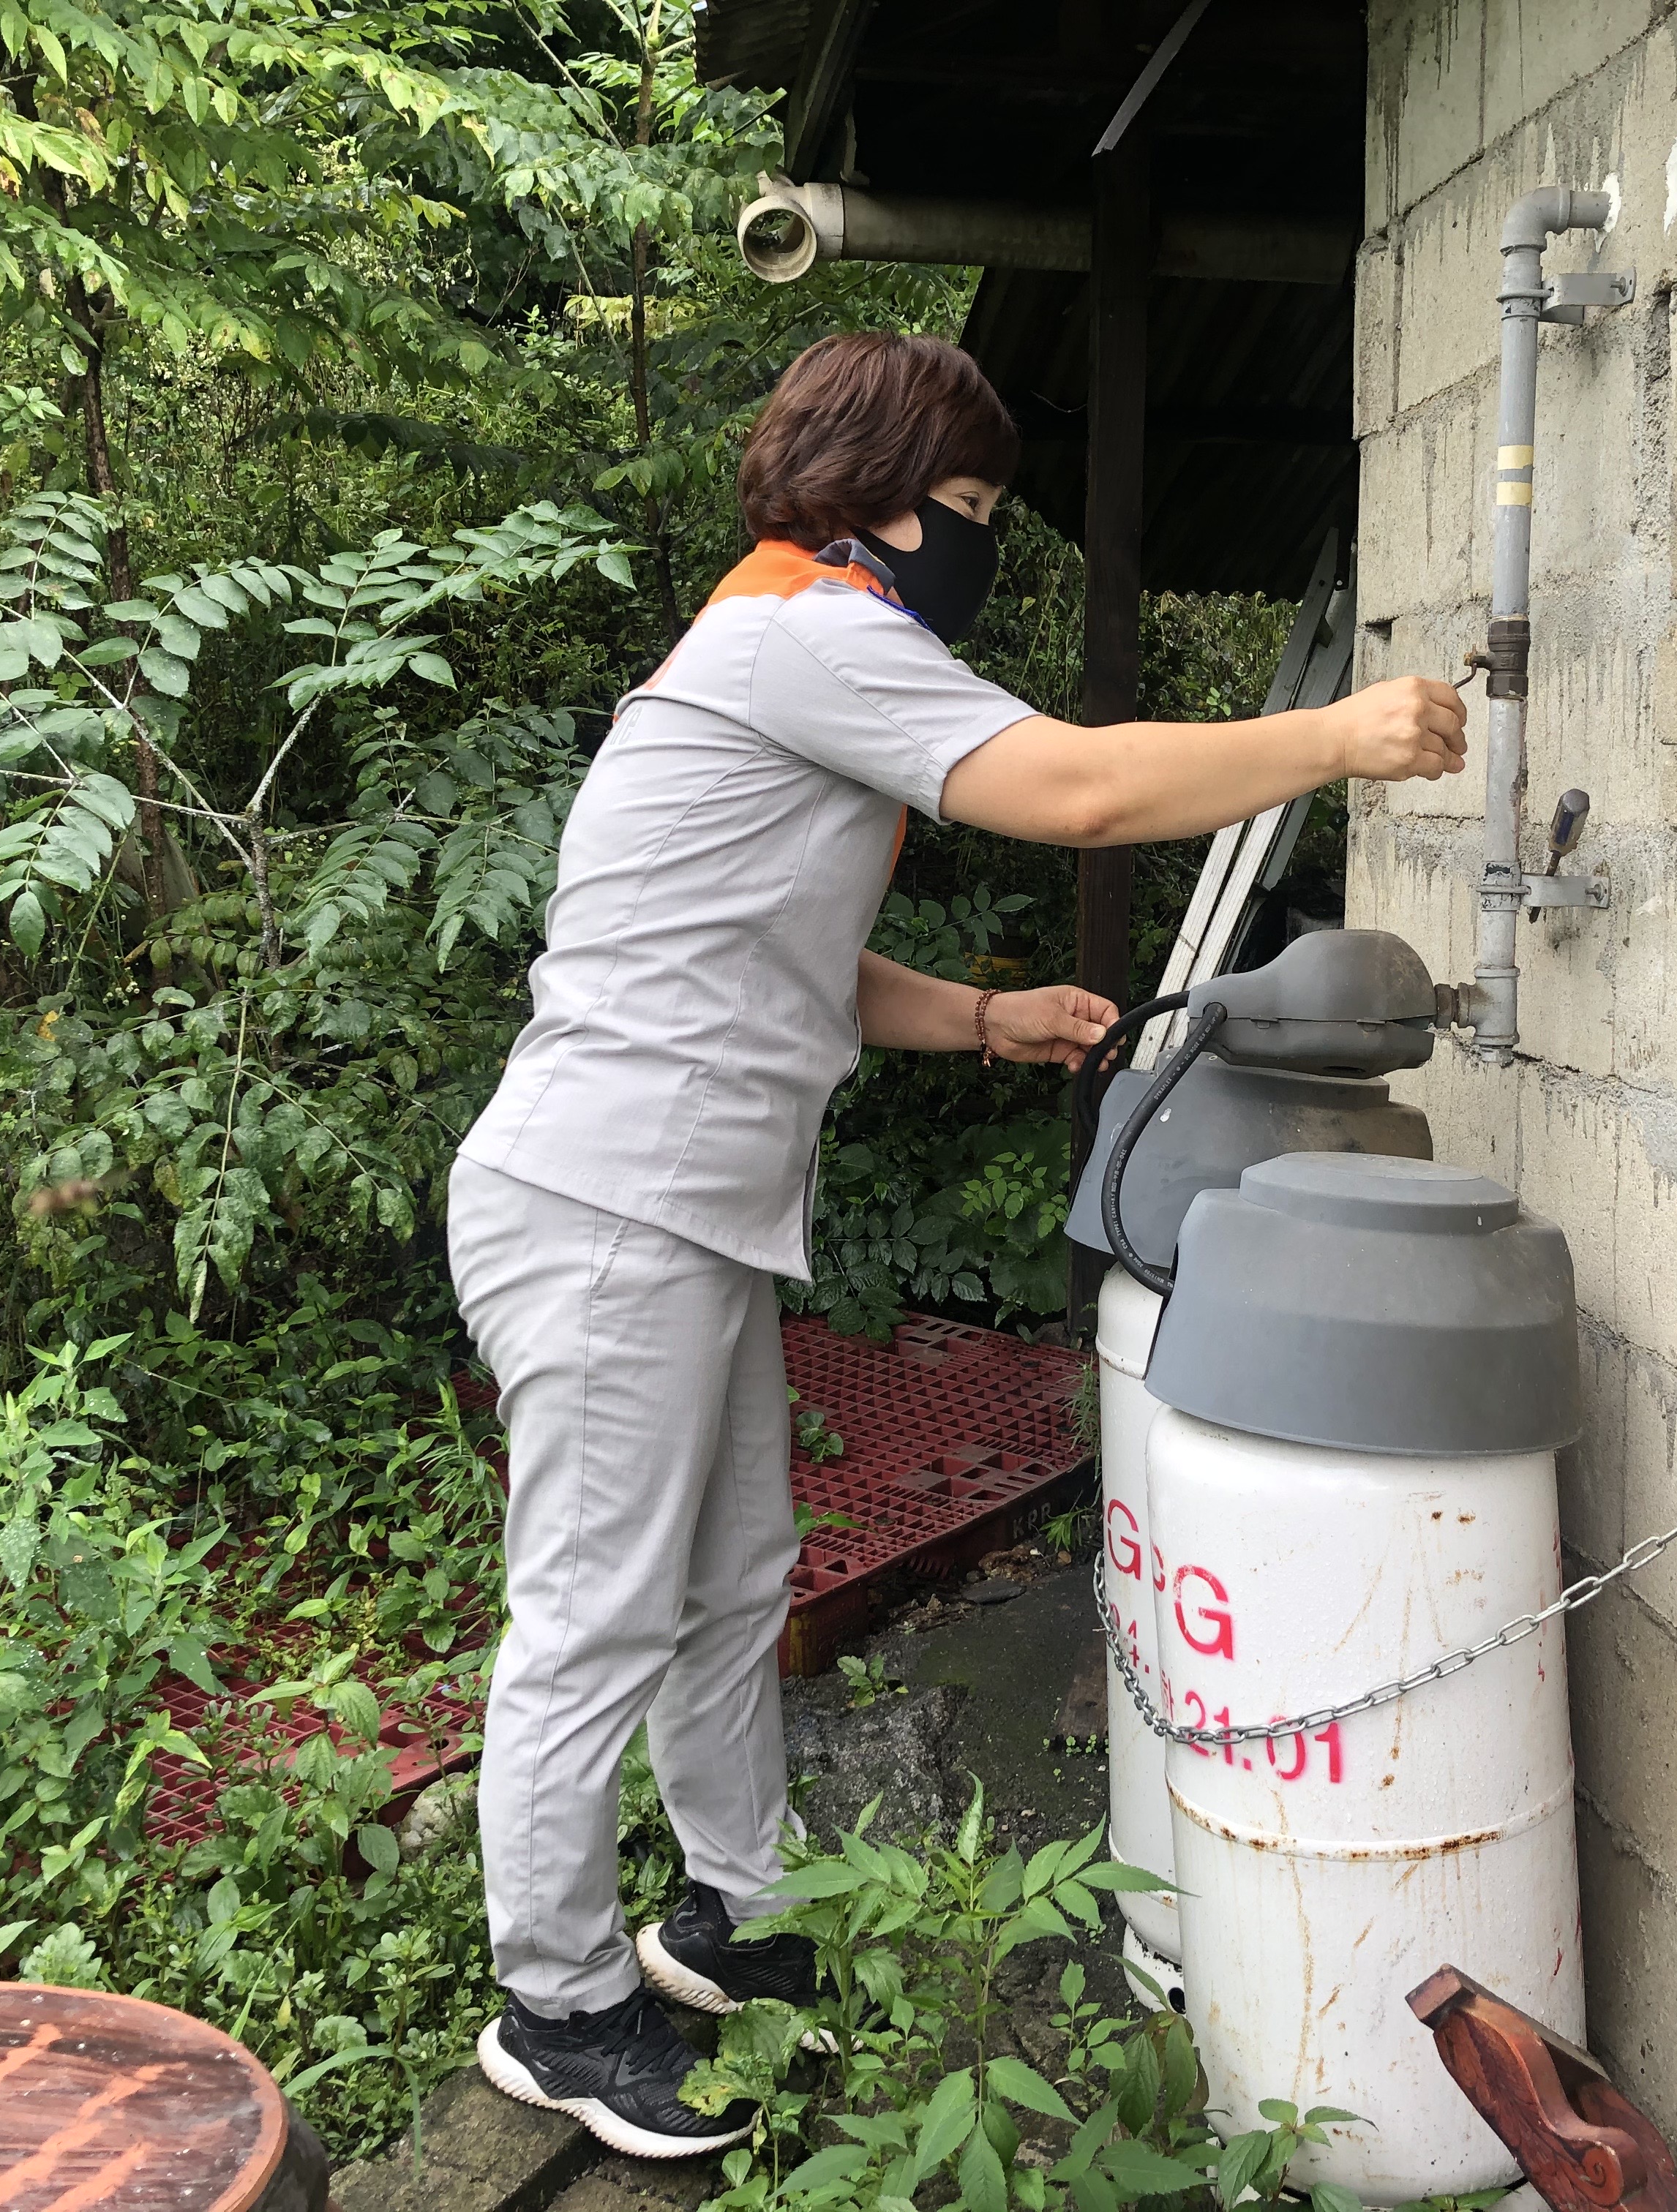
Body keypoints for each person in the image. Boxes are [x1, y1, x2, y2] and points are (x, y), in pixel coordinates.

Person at [450, 331, 1467, 2157]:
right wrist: (1336, 738)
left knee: (732, 1578)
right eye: (977, 505)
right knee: (597, 1610)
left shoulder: (760, 644)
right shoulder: (809, 626)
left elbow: (786, 951)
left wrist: (985, 1018)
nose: (986, 543)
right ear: (878, 496)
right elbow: (1076, 790)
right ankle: (560, 2002)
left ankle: (740, 1914)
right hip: (608, 1203)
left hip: (675, 1209)